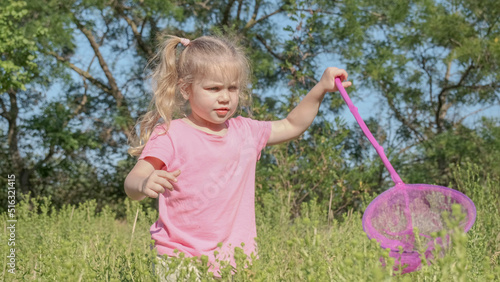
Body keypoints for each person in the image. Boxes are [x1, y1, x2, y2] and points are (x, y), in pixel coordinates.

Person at [124, 35, 351, 279]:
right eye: (213, 88)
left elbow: (292, 125)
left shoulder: (246, 132)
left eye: (232, 88)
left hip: (236, 260)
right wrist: (144, 184)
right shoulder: (171, 134)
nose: (225, 97)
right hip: (179, 258)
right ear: (185, 88)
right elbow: (133, 182)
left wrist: (320, 88)